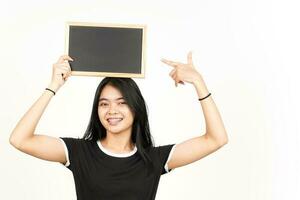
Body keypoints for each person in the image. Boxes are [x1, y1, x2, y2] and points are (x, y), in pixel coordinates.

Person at [9, 52, 228, 200]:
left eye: (122, 103)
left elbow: (216, 139)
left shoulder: (153, 159)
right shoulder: (79, 152)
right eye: (104, 104)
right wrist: (53, 85)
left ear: (136, 108)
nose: (112, 110)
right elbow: (20, 139)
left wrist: (199, 82)